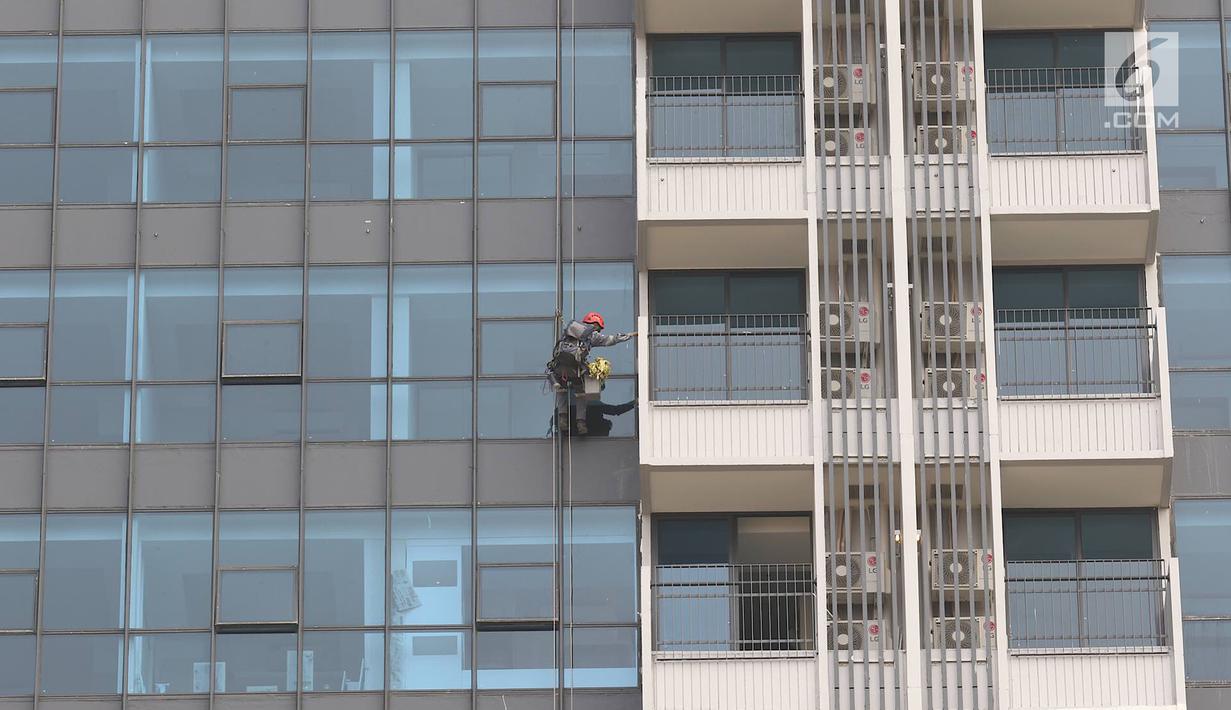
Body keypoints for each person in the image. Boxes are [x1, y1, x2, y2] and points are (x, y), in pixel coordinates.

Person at [547, 311, 634, 435]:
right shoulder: (592, 335)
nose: (598, 332)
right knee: (581, 394)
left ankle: (563, 419)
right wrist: (628, 336)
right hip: (575, 369)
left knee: (561, 391)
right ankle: (581, 422)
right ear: (596, 324)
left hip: (560, 368)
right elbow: (610, 340)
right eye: (598, 329)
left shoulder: (568, 331)